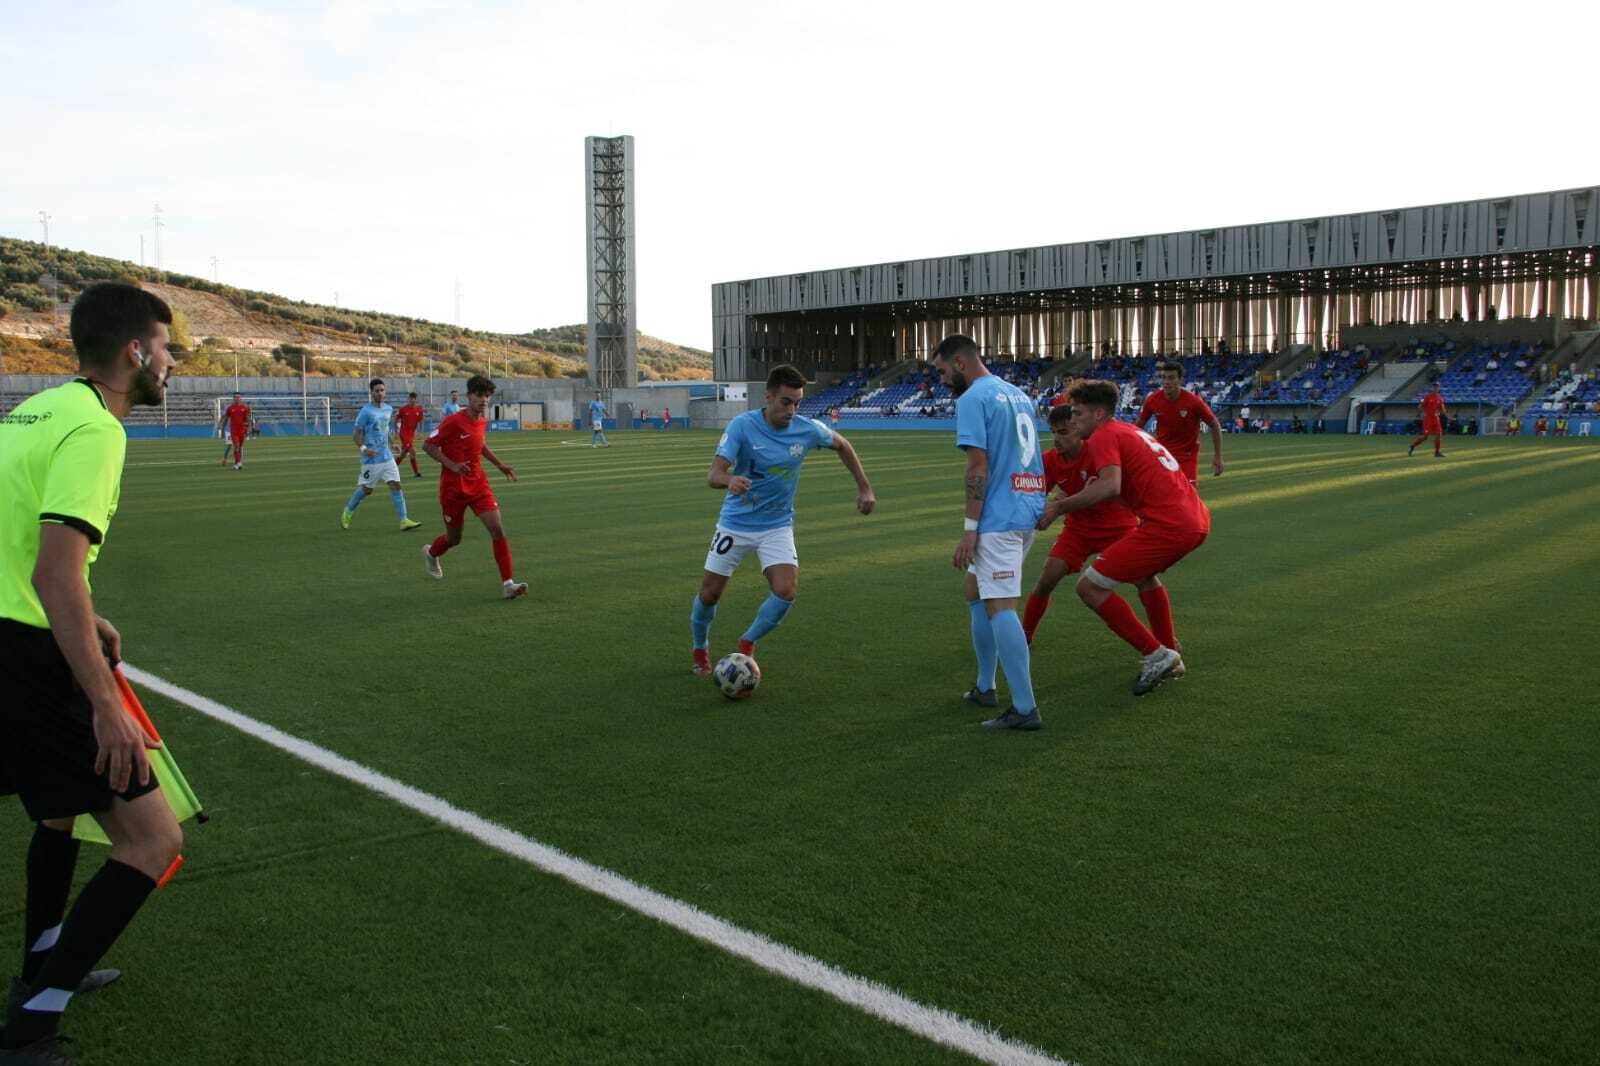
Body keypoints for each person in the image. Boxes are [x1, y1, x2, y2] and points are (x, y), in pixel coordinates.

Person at [0, 283, 184, 1062]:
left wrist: (84, 613)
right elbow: (54, 573)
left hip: (11, 637)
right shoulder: (98, 430)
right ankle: (33, 1023)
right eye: (167, 349)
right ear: (135, 351)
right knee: (154, 841)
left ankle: (40, 965)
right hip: (28, 655)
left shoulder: (33, 410)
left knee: (58, 810)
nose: (172, 364)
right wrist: (105, 703)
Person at [689, 364, 874, 677]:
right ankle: (699, 647)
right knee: (710, 594)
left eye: (798, 402)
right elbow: (713, 474)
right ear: (769, 396)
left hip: (776, 526)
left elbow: (843, 445)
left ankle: (747, 644)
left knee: (786, 591)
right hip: (735, 524)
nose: (792, 409)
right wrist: (729, 480)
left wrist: (864, 487)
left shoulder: (807, 429)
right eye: (786, 402)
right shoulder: (741, 427)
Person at [1043, 379, 1211, 696]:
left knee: (1089, 586)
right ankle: (1167, 648)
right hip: (1195, 518)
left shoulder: (1104, 435)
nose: (1072, 419)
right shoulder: (1128, 431)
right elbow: (1121, 488)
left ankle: (1157, 654)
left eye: (1077, 413)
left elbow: (1110, 487)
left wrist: (1058, 508)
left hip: (1169, 524)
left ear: (1098, 413)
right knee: (1144, 577)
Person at [930, 335, 1046, 731]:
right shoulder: (1018, 394)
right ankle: (985, 685)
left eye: (943, 372)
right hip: (1027, 506)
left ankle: (1025, 708)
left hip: (1000, 516)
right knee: (975, 591)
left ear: (960, 363)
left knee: (1000, 606)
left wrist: (969, 531)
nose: (942, 380)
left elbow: (977, 467)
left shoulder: (972, 399)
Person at [1022, 404, 1138, 644]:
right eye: (1053, 432)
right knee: (1046, 580)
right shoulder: (1050, 460)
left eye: (1063, 432)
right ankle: (1024, 637)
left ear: (1078, 428)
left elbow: (1114, 489)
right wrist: (1038, 515)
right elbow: (1035, 496)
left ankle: (1165, 640)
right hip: (1079, 530)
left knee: (1145, 579)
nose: (1056, 438)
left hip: (1118, 525)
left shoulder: (1099, 452)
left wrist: (1060, 504)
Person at [421, 375, 528, 599]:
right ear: (469, 396)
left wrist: (500, 465)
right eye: (479, 395)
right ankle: (431, 553)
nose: (484, 399)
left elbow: (480, 445)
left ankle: (508, 584)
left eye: (487, 395)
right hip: (453, 489)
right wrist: (453, 465)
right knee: (454, 539)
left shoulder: (481, 421)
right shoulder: (453, 421)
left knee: (497, 529)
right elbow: (428, 445)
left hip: (478, 484)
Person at [340, 379, 421, 532]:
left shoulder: (388, 409)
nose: (379, 393)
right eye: (376, 390)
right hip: (371, 459)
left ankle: (403, 520)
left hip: (387, 456)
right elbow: (356, 434)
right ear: (371, 392)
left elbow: (385, 429)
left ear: (385, 392)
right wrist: (364, 449)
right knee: (366, 490)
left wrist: (392, 443)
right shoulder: (366, 411)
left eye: (382, 390)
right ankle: (348, 511)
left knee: (396, 485)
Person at [1136, 360, 1225, 485]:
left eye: (1171, 378)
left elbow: (1214, 425)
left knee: (1187, 498)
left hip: (1187, 457)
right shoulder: (1153, 400)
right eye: (1164, 378)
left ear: (1181, 380)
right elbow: (1138, 427)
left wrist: (1218, 456)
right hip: (1163, 455)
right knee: (1163, 495)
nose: (1167, 382)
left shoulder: (1193, 401)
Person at [1408, 383, 1447, 457]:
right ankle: (1412, 446)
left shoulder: (1440, 398)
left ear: (1439, 388)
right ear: (1432, 388)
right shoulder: (1427, 397)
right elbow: (1420, 406)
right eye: (1434, 387)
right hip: (1428, 419)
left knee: (1439, 434)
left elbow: (1442, 410)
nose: (1436, 388)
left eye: (1437, 387)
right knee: (1425, 437)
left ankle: (1437, 452)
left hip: (1436, 419)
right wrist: (1423, 412)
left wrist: (1443, 411)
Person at [393, 392, 426, 478]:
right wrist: (396, 432)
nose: (412, 400)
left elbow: (421, 420)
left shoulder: (419, 410)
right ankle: (416, 473)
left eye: (413, 398)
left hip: (411, 435)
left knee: (403, 454)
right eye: (410, 398)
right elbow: (395, 419)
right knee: (412, 451)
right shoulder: (403, 409)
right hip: (403, 434)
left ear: (416, 399)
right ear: (409, 399)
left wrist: (420, 432)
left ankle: (391, 468)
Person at [216, 392, 251, 470]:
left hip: (241, 431)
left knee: (240, 447)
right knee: (235, 446)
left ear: (240, 398)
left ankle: (238, 463)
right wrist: (221, 428)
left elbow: (247, 419)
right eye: (236, 397)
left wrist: (248, 428)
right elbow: (225, 418)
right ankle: (236, 462)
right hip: (233, 431)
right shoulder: (230, 408)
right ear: (233, 398)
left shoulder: (244, 408)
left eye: (239, 397)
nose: (237, 399)